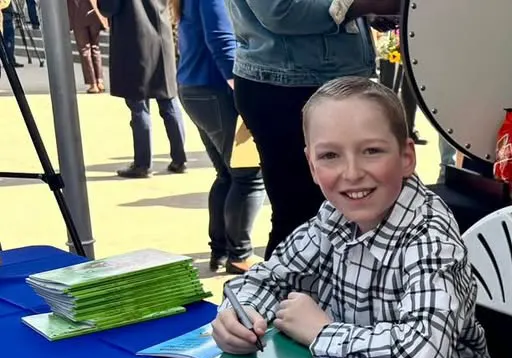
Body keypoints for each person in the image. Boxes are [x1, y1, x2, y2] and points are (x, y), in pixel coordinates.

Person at [211, 77, 490, 358]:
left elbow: (420, 356)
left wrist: (320, 331)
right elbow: (267, 278)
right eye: (330, 156)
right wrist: (241, 316)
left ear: (406, 157)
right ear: (312, 167)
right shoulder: (333, 216)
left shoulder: (429, 238)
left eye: (371, 150)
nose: (353, 173)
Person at [228, 0, 400, 261]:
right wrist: (365, 5)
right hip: (288, 89)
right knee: (300, 219)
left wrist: (367, 15)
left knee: (347, 218)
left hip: (320, 79)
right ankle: (285, 297)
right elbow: (281, 11)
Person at [174, 0, 265, 274]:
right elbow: (222, 39)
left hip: (199, 88)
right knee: (249, 175)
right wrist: (244, 93)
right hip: (217, 90)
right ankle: (239, 255)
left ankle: (222, 250)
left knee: (227, 174)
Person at [98, 0, 188, 177]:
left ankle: (142, 164)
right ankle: (180, 159)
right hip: (162, 36)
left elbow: (109, 8)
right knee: (169, 101)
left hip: (133, 40)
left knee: (139, 105)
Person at [68, 0, 108, 94]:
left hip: (78, 14)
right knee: (95, 48)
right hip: (94, 12)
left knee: (84, 50)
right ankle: (99, 81)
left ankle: (92, 83)